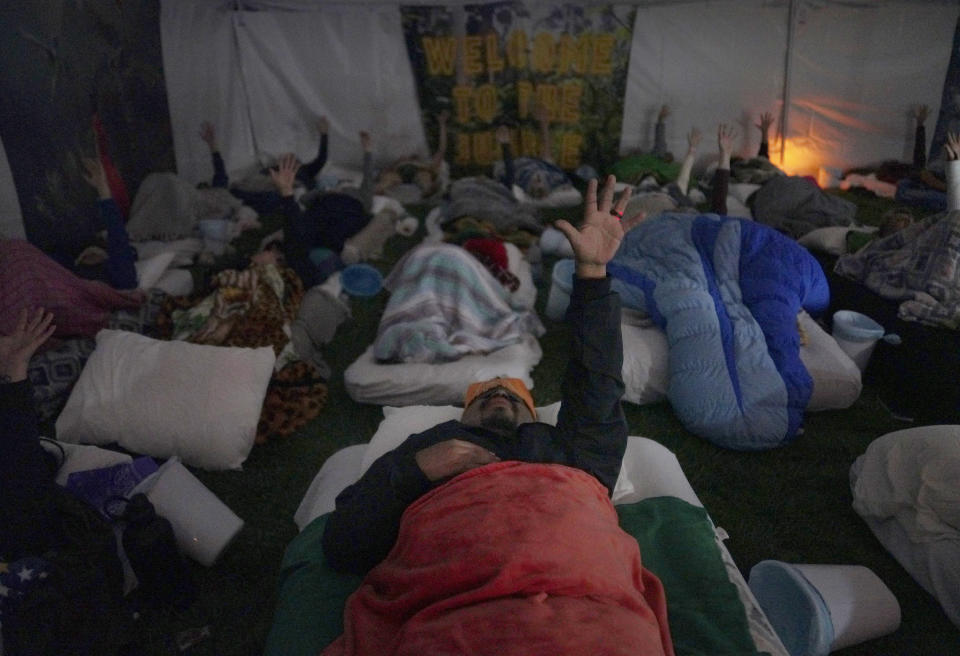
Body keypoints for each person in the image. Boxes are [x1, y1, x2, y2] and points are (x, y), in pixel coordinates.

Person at [323, 175, 632, 574]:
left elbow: (598, 382)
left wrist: (592, 275)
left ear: (535, 416)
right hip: (448, 595)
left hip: (563, 582)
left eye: (511, 396)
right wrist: (413, 471)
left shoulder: (574, 452)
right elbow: (342, 546)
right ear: (463, 416)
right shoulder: (429, 449)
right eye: (485, 395)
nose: (497, 392)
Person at [269, 131, 375, 288]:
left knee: (322, 234)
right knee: (303, 228)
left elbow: (368, 177)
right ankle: (283, 261)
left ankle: (291, 263)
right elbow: (305, 200)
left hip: (346, 212)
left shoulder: (362, 195)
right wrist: (324, 192)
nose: (345, 182)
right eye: (342, 181)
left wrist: (368, 151)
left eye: (348, 181)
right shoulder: (327, 190)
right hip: (321, 211)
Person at [199, 117, 332, 213]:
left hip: (275, 193)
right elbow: (227, 182)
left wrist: (324, 134)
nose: (286, 157)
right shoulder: (269, 171)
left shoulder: (304, 171)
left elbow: (321, 159)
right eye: (283, 158)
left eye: (291, 157)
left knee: (273, 198)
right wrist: (213, 145)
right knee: (228, 192)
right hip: (249, 191)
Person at [71, 156, 139, 290]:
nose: (92, 254)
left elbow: (118, 239)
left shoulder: (121, 278)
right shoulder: (67, 270)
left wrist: (103, 190)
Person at [493, 104, 574, 200]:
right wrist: (544, 124)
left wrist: (505, 145)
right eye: (541, 188)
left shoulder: (519, 182)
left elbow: (509, 169)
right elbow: (546, 152)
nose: (538, 183)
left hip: (514, 165)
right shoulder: (554, 178)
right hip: (533, 162)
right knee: (547, 159)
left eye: (534, 188)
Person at [374, 110, 450, 203]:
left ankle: (428, 190)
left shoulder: (426, 163)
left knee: (423, 177)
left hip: (420, 172)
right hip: (398, 173)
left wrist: (442, 124)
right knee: (389, 179)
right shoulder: (398, 159)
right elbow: (386, 169)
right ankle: (378, 190)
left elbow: (442, 149)